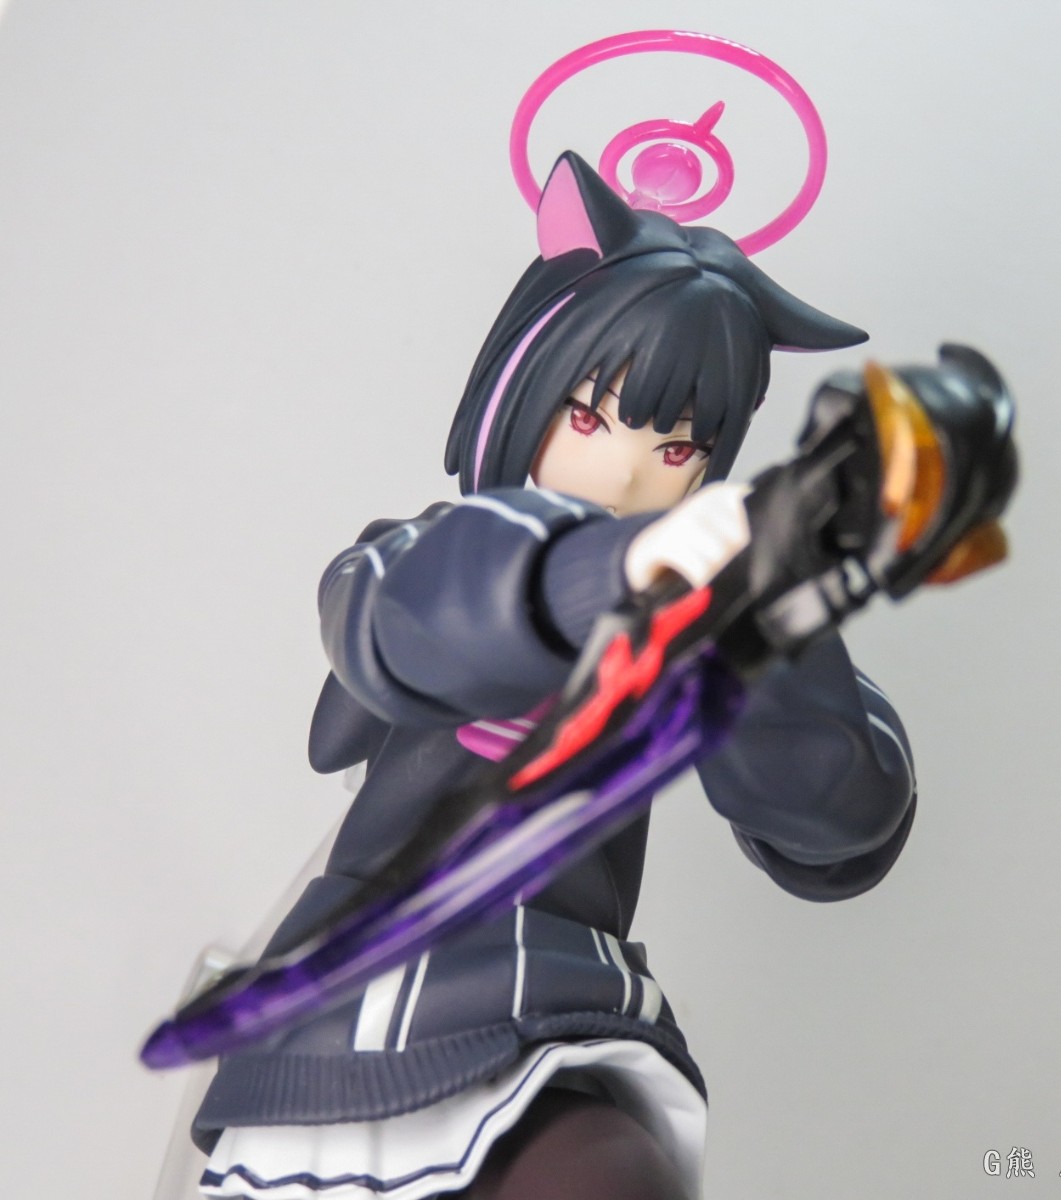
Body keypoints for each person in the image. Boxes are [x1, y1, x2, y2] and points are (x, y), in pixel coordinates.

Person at [192, 152, 916, 1200]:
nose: (626, 471)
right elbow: (388, 621)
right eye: (589, 416)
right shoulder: (426, 555)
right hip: (374, 988)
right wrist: (600, 574)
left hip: (565, 994)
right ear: (520, 390)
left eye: (679, 450)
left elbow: (841, 822)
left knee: (612, 1174)